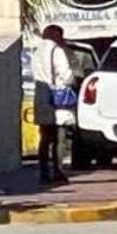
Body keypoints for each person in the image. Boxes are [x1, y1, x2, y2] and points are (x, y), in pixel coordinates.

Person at [33, 25, 75, 185]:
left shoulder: (37, 50)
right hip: (56, 94)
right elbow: (66, 75)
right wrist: (71, 82)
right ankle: (58, 170)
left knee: (45, 137)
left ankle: (43, 172)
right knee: (59, 136)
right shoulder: (57, 51)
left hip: (40, 92)